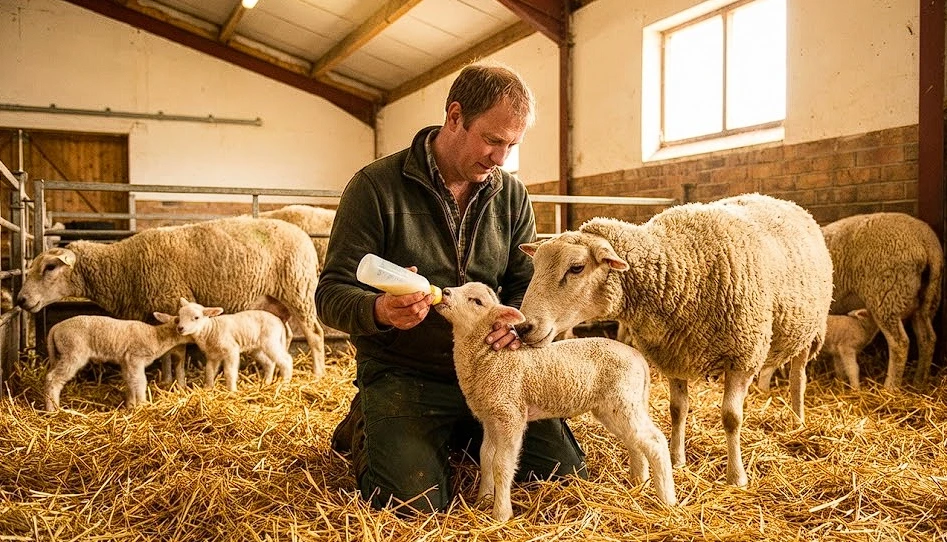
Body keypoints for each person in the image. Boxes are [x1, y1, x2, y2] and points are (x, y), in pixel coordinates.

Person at [315, 62, 587, 515]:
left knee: (561, 473)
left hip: (498, 373)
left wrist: (515, 329)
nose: (501, 157)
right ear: (455, 116)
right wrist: (381, 310)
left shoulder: (511, 196)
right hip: (408, 371)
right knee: (412, 501)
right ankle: (371, 421)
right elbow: (331, 295)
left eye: (512, 145)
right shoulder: (376, 188)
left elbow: (524, 285)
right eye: (493, 140)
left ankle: (460, 431)